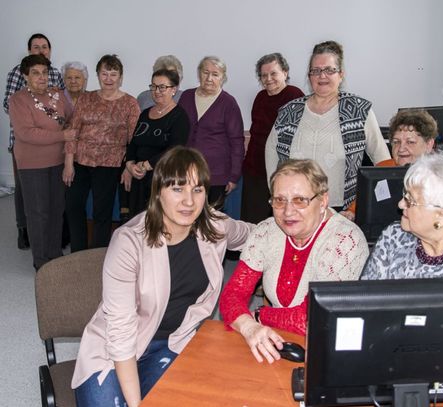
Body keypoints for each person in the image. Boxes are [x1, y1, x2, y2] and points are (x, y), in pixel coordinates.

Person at [72, 146, 252, 406]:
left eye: (197, 189)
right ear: (158, 192)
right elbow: (121, 336)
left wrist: (309, 222)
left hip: (174, 344)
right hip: (116, 349)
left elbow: (256, 234)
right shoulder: (129, 241)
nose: (189, 201)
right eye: (177, 189)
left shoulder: (214, 226)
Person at [220, 159, 369, 363]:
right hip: (277, 341)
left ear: (323, 200)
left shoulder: (345, 239)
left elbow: (313, 318)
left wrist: (260, 315)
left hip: (329, 351)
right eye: (279, 200)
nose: (288, 211)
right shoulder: (266, 231)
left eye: (300, 200)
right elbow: (233, 294)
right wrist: (249, 326)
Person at [265, 40, 390, 215]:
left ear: (341, 74)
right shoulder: (289, 112)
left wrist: (356, 208)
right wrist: (278, 196)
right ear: (309, 77)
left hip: (342, 212)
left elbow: (384, 164)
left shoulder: (359, 111)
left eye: (329, 70)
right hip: (293, 209)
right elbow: (271, 153)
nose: (322, 76)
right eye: (316, 71)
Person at [346, 109, 443, 229]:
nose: (401, 148)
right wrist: (349, 214)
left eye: (410, 142)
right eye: (396, 142)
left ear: (429, 144)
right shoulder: (381, 169)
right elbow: (358, 208)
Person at [64, 54, 140, 252]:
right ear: (98, 75)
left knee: (102, 212)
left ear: (120, 77)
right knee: (73, 207)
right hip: (80, 161)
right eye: (104, 73)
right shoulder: (86, 98)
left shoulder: (130, 104)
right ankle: (78, 253)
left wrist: (128, 167)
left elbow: (134, 140)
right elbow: (73, 131)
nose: (108, 78)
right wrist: (68, 162)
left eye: (113, 74)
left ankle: (97, 256)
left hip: (110, 164)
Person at [8, 54, 76, 270]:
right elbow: (27, 133)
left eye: (45, 72)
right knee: (38, 212)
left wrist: (68, 151)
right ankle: (41, 261)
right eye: (35, 73)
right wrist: (62, 136)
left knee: (57, 209)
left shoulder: (57, 94)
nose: (41, 77)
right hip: (31, 164)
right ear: (25, 75)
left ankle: (54, 254)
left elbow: (72, 117)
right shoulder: (18, 100)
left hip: (58, 161)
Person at [3, 33, 65, 250]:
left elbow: (65, 113)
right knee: (28, 197)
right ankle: (25, 232)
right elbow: (14, 112)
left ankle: (51, 245)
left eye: (45, 46)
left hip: (55, 153)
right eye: (36, 46)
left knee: (54, 204)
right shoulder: (17, 79)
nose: (41, 50)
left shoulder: (56, 77)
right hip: (27, 150)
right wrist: (50, 128)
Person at [241, 53, 304, 224]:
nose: (268, 79)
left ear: (285, 72)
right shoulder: (260, 97)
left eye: (273, 73)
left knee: (280, 222)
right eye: (264, 75)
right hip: (255, 171)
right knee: (253, 223)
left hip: (281, 172)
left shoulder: (294, 96)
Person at [178, 56, 244, 207]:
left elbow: (237, 142)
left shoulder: (228, 103)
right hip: (186, 172)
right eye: (205, 72)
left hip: (216, 175)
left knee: (211, 221)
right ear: (199, 73)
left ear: (223, 78)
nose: (209, 78)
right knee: (186, 214)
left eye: (215, 74)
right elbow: (178, 133)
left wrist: (234, 176)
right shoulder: (186, 97)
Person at [124, 69, 190, 217]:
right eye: (153, 86)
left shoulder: (180, 116)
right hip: (139, 177)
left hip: (163, 179)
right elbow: (134, 143)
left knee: (157, 223)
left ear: (174, 89)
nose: (157, 91)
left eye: (162, 87)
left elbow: (175, 150)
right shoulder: (145, 113)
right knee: (137, 221)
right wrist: (130, 164)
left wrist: (147, 165)